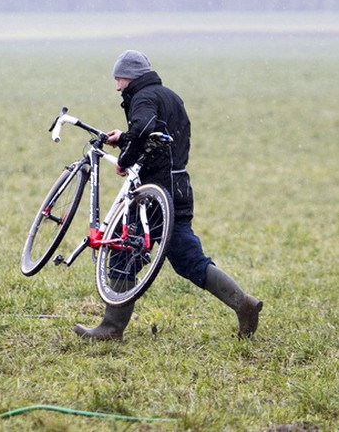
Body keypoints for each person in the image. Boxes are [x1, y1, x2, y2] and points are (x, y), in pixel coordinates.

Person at [73, 50, 263, 341]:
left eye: (119, 79)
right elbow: (161, 137)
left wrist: (125, 159)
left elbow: (146, 128)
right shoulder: (169, 96)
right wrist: (124, 139)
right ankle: (243, 303)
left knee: (124, 251)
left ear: (130, 77)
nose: (117, 87)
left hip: (153, 193)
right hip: (179, 187)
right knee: (188, 258)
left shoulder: (143, 98)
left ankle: (111, 328)